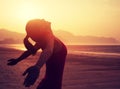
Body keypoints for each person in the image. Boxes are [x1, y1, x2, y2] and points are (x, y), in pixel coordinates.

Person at [7, 19, 67, 89]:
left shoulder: (48, 37)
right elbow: (30, 51)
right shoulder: (44, 39)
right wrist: (18, 60)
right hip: (51, 81)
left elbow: (48, 50)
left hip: (51, 82)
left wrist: (37, 66)